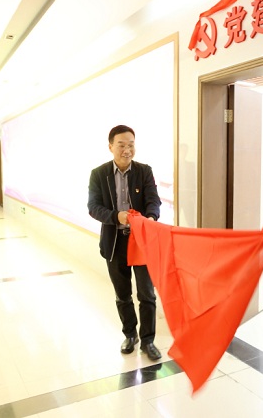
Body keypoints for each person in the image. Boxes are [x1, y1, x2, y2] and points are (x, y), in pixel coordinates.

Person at [88, 124, 162, 361]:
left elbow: (153, 201)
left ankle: (148, 340)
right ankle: (130, 335)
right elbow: (93, 207)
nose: (127, 149)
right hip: (114, 243)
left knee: (147, 294)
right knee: (123, 294)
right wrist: (115, 217)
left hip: (141, 242)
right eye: (121, 145)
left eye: (131, 144)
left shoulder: (144, 171)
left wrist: (150, 219)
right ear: (111, 146)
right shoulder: (99, 174)